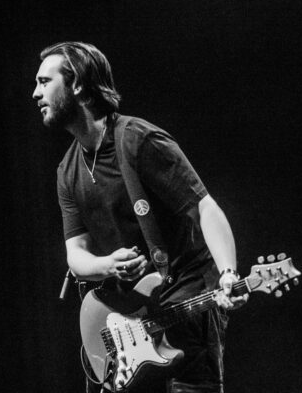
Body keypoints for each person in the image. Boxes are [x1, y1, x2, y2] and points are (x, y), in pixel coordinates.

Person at [32, 42, 248, 393]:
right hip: (135, 315)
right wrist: (108, 265)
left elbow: (205, 207)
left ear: (77, 86)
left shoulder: (139, 141)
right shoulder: (66, 171)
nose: (35, 92)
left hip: (188, 292)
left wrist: (228, 272)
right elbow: (76, 256)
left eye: (44, 81)